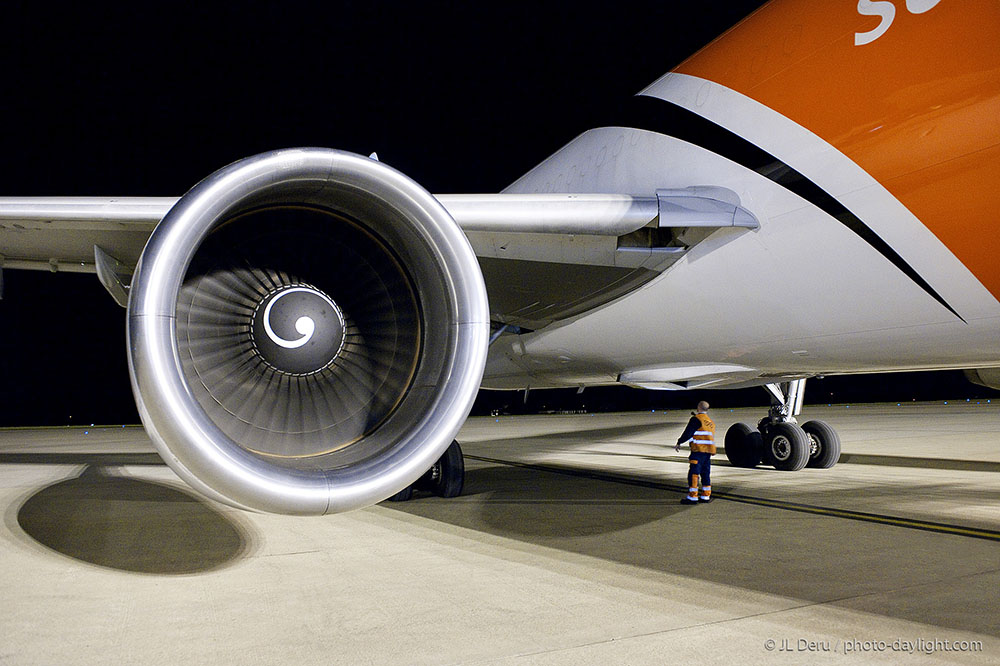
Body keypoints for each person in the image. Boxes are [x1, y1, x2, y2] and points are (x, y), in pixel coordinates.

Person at [674, 400, 715, 504]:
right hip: (708, 452)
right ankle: (706, 496)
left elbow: (688, 433)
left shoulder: (696, 419)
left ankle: (693, 497)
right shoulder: (710, 422)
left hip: (698, 451)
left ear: (698, 408)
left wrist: (679, 441)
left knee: (694, 474)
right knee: (705, 474)